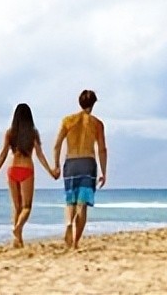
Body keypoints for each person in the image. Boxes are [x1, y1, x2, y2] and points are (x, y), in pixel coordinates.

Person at [0, 103, 59, 247]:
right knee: (27, 207)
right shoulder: (33, 133)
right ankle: (17, 229)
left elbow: (3, 154)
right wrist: (51, 171)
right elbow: (39, 155)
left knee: (17, 207)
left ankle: (17, 240)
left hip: (12, 169)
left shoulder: (10, 133)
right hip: (26, 169)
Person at [53, 89, 107, 248]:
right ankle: (76, 242)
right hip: (88, 163)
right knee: (82, 204)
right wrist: (104, 172)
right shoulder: (97, 124)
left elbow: (57, 145)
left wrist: (56, 165)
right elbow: (102, 149)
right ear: (93, 104)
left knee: (70, 200)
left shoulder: (68, 120)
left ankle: (69, 223)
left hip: (71, 162)